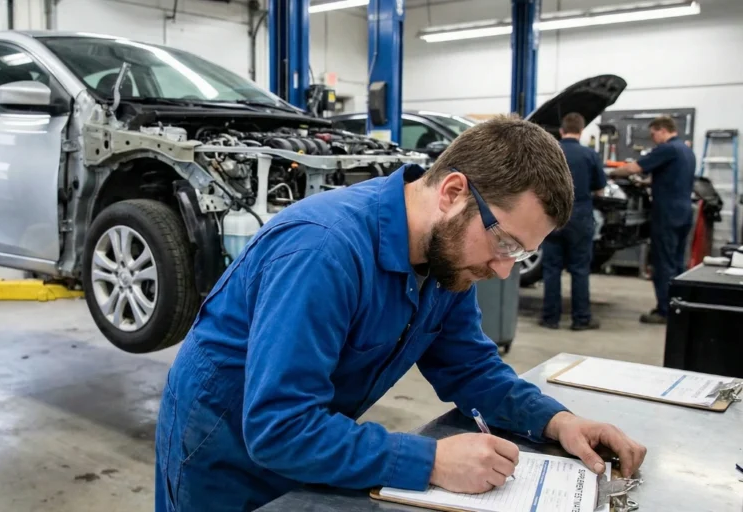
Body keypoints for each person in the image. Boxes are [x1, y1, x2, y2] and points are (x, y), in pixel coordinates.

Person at [154, 117, 648, 512]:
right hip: (220, 452)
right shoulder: (323, 251)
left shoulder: (445, 261)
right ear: (454, 193)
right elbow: (280, 427)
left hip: (306, 443)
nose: (502, 270)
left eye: (518, 255)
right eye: (504, 243)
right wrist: (430, 459)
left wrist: (558, 422)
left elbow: (472, 368)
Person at [609, 116, 696, 324]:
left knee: (663, 263)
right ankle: (678, 306)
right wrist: (647, 184)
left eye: (653, 134)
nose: (653, 138)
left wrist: (612, 173)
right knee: (676, 263)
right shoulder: (686, 151)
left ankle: (664, 311)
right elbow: (670, 177)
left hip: (667, 214)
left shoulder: (667, 149)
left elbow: (634, 168)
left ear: (662, 130)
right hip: (684, 212)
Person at [539, 113, 607, 331]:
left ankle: (550, 318)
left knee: (551, 269)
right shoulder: (590, 155)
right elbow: (600, 188)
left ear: (561, 130)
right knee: (579, 269)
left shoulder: (550, 153)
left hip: (553, 219)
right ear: (581, 131)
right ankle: (581, 319)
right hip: (580, 218)